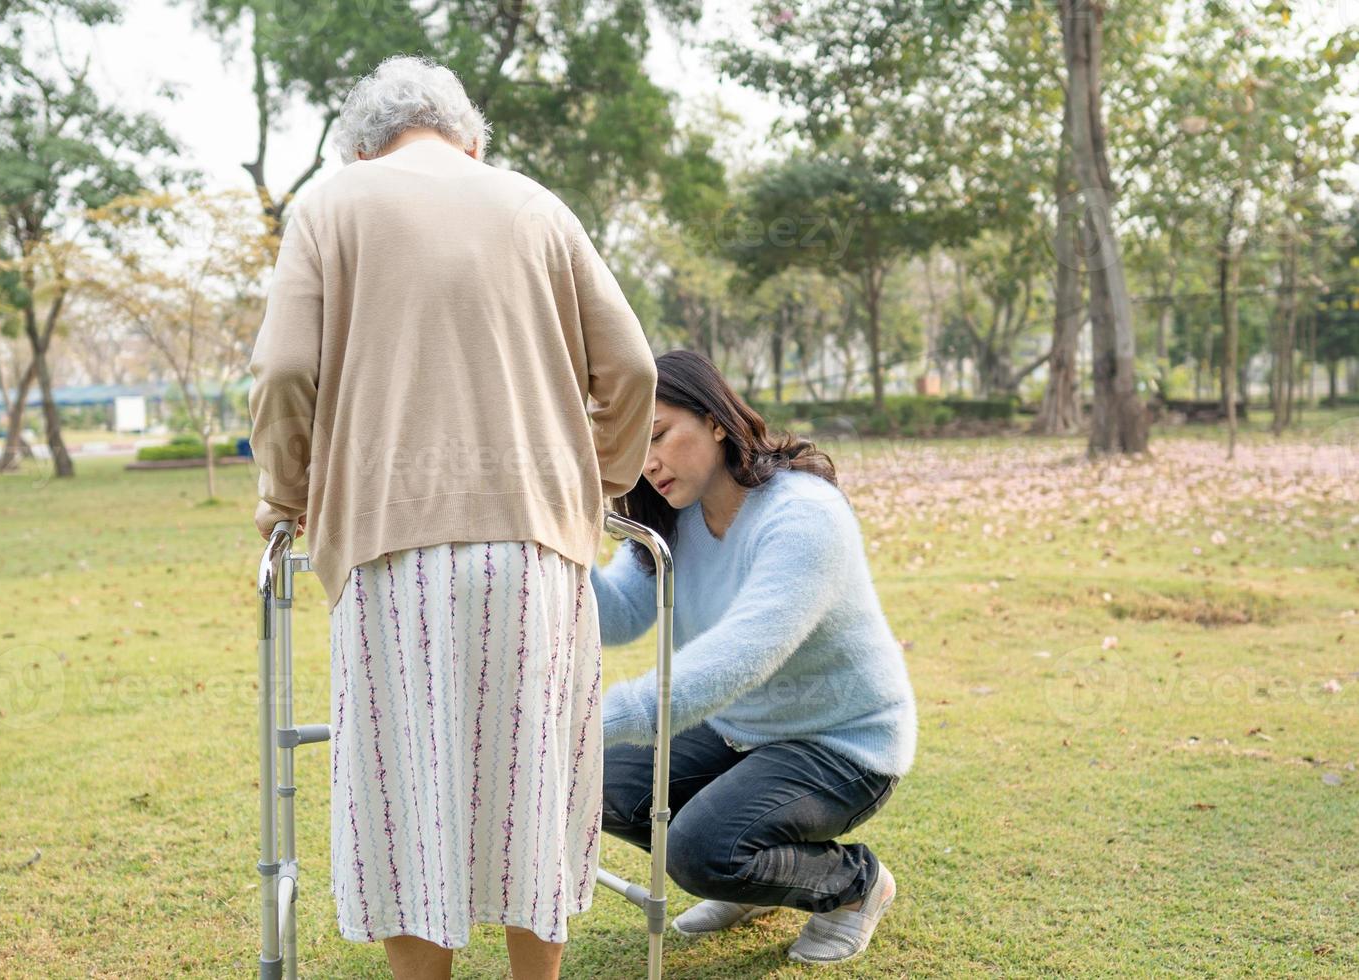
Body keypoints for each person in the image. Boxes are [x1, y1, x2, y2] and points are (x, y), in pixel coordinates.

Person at [246, 54, 657, 980]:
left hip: (390, 550)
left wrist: (285, 500)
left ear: (359, 148)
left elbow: (279, 374)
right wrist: (594, 480)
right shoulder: (535, 205)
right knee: (532, 785)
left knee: (404, 793)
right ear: (471, 138)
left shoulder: (330, 205)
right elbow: (630, 367)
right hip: (537, 548)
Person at [592, 349, 917, 966]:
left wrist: (581, 723)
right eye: (634, 448)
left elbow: (731, 661)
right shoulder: (676, 519)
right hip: (741, 730)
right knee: (597, 786)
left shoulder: (804, 516)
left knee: (698, 849)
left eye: (658, 434)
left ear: (715, 418)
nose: (648, 462)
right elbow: (617, 616)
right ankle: (751, 880)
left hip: (843, 744)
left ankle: (855, 887)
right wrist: (565, 533)